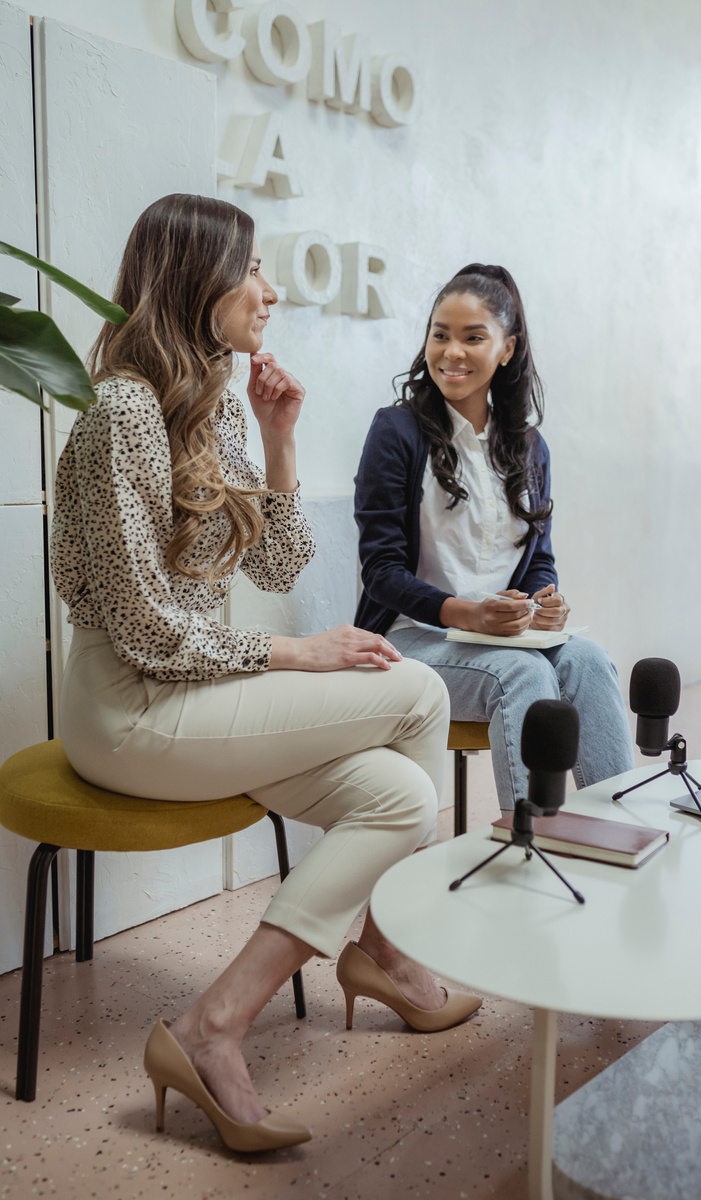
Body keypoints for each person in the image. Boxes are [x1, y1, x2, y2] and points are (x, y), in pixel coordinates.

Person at [50, 195, 480, 1154]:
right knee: (416, 688)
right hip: (129, 707)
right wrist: (298, 652)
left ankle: (222, 1020)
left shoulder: (210, 400)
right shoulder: (124, 409)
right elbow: (146, 630)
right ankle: (380, 949)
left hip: (201, 697)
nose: (269, 289)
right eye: (252, 269)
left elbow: (277, 566)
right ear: (196, 278)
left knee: (404, 796)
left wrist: (279, 435)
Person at [353, 263, 634, 813]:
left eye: (473, 337)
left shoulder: (530, 448)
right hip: (410, 640)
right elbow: (381, 573)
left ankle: (621, 828)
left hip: (500, 640)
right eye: (440, 334)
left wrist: (543, 601)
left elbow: (538, 561)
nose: (451, 351)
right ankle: (532, 848)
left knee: (590, 660)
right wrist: (469, 615)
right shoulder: (397, 431)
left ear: (507, 349)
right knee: (524, 672)